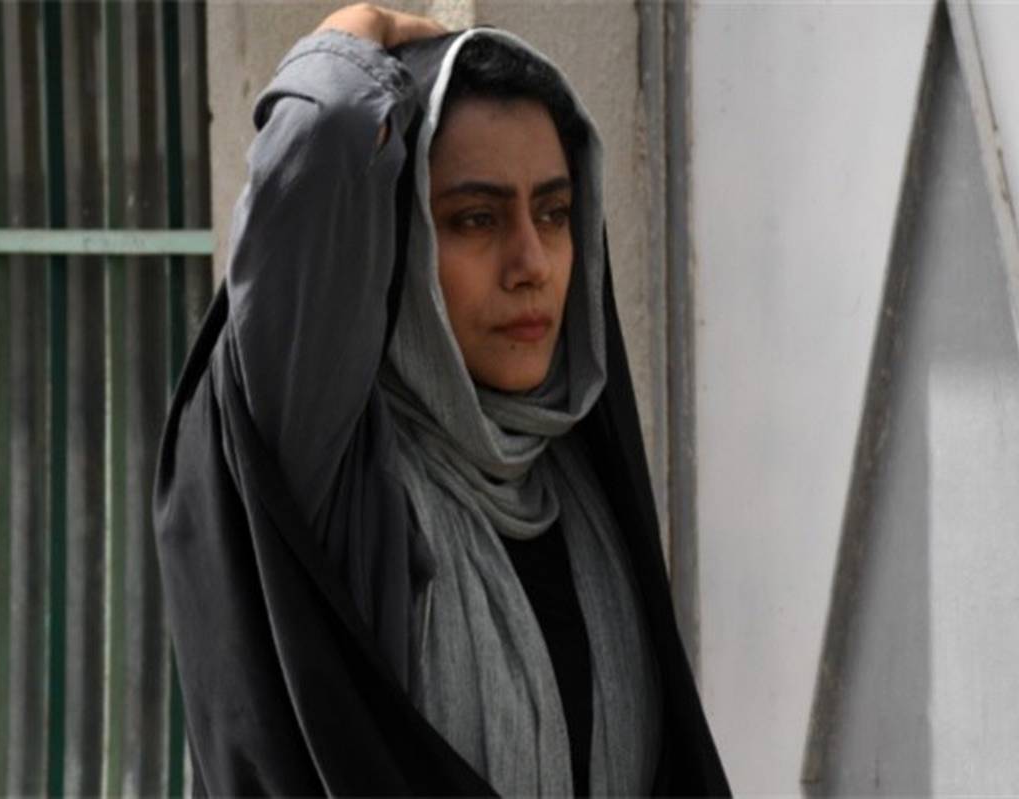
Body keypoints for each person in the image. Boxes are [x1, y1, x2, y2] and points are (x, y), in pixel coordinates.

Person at [153, 4, 729, 795]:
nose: (531, 263)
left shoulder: (577, 477)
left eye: (555, 213)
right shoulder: (340, 471)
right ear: (398, 241)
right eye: (475, 219)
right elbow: (322, 139)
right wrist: (360, 27)